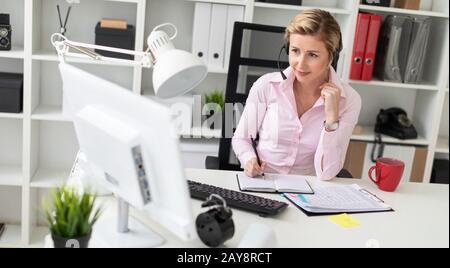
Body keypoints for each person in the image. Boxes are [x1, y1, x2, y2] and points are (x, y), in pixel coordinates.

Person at [232, 9, 361, 180]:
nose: (300, 63)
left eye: (312, 55)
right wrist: (249, 160)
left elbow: (327, 173)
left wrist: (331, 119)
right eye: (295, 51)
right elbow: (241, 139)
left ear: (331, 57)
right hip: (264, 182)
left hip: (311, 189)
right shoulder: (266, 86)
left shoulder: (349, 100)